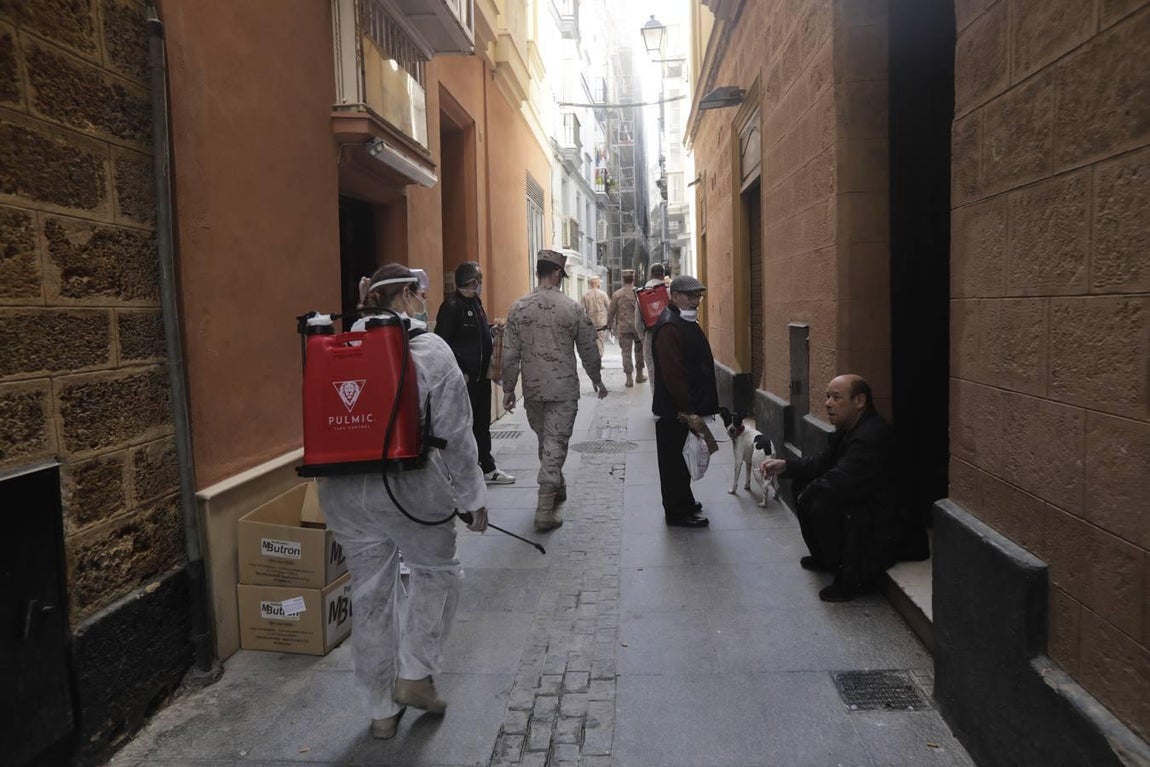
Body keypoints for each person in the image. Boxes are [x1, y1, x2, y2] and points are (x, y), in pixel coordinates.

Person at [317, 263, 488, 739]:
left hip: (344, 490)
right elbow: (457, 432)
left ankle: (378, 710)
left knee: (370, 593)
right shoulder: (429, 348)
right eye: (418, 294)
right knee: (436, 573)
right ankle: (414, 673)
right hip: (412, 486)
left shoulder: (331, 347)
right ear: (410, 295)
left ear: (366, 296)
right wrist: (472, 495)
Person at [760, 374, 895, 602]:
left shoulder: (871, 435)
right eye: (827, 396)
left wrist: (810, 492)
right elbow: (823, 462)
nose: (827, 403)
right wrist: (786, 465)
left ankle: (853, 579)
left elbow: (844, 480)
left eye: (836, 397)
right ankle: (825, 558)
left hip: (883, 518)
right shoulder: (849, 428)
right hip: (861, 499)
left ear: (859, 401)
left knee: (823, 502)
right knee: (804, 484)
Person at [502, 250, 608, 532]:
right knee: (555, 443)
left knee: (546, 441)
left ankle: (556, 485)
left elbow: (510, 353)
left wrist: (509, 388)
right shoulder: (571, 308)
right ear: (558, 273)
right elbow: (587, 347)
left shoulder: (518, 307)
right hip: (562, 390)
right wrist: (596, 378)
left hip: (533, 391)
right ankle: (544, 510)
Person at [435, 261, 516, 485]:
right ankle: (461, 471)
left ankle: (488, 467)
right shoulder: (451, 306)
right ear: (472, 282)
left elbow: (476, 335)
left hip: (482, 377)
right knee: (464, 426)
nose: (481, 284)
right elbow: (442, 342)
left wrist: (492, 329)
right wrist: (460, 371)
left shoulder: (476, 302)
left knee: (482, 424)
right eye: (479, 281)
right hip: (466, 379)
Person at [650, 275, 718, 528]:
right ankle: (677, 512)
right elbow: (673, 375)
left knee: (682, 460)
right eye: (691, 296)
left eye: (699, 296)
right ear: (675, 296)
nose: (696, 301)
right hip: (675, 411)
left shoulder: (683, 321)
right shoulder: (670, 326)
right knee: (674, 464)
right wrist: (688, 410)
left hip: (685, 408)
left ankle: (685, 501)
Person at [607, 269, 646, 388]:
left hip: (624, 328)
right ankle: (639, 375)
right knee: (639, 352)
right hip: (638, 327)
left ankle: (629, 378)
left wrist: (610, 325)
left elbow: (611, 312)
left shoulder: (617, 294)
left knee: (626, 353)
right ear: (633, 279)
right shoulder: (639, 293)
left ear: (623, 279)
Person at [633, 262, 666, 383]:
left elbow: (637, 322)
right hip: (668, 335)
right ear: (663, 274)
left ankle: (656, 399)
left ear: (651, 275)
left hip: (650, 336)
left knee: (652, 371)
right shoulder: (668, 292)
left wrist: (643, 337)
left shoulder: (642, 294)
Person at [580, 275, 610, 358]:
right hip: (601, 323)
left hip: (589, 323)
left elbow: (581, 310)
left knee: (591, 342)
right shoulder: (603, 294)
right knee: (600, 341)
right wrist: (610, 322)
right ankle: (599, 359)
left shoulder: (585, 295)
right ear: (597, 284)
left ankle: (593, 359)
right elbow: (609, 308)